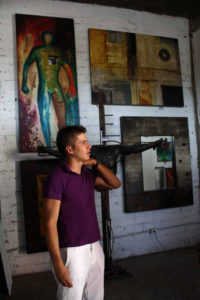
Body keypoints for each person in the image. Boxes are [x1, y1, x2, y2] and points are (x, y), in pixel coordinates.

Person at [43, 125, 121, 300]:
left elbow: (115, 184)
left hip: (94, 246)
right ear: (70, 149)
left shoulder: (86, 175)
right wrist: (57, 263)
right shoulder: (57, 178)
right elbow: (49, 224)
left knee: (95, 296)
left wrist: (96, 164)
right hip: (72, 250)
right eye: (83, 142)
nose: (89, 146)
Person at [22, 31, 78, 147]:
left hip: (55, 86)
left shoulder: (57, 52)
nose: (48, 38)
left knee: (62, 116)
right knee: (44, 115)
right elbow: (26, 65)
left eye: (50, 36)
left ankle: (64, 145)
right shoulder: (38, 51)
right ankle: (48, 145)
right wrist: (24, 83)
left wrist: (72, 85)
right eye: (46, 36)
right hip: (44, 87)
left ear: (52, 38)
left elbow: (68, 68)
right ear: (43, 38)